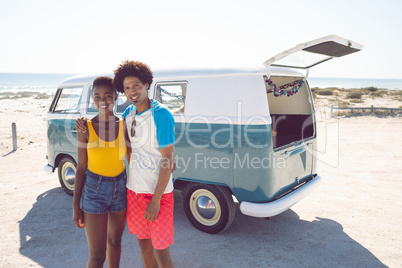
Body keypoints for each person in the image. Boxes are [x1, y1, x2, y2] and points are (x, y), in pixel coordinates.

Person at [115, 60, 175, 268]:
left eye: (136, 85)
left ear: (147, 84)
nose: (132, 91)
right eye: (127, 88)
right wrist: (136, 171)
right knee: (145, 248)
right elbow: (129, 148)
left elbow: (167, 158)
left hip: (159, 196)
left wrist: (156, 200)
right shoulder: (127, 115)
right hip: (134, 193)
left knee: (162, 254)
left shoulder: (161, 114)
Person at [72, 77, 128, 268]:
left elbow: (136, 156)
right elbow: (81, 168)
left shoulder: (125, 125)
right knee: (97, 257)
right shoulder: (85, 127)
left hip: (120, 188)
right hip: (94, 190)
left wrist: (167, 159)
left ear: (116, 96)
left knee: (115, 243)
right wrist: (75, 205)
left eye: (107, 96)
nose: (102, 101)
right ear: (92, 98)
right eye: (97, 96)